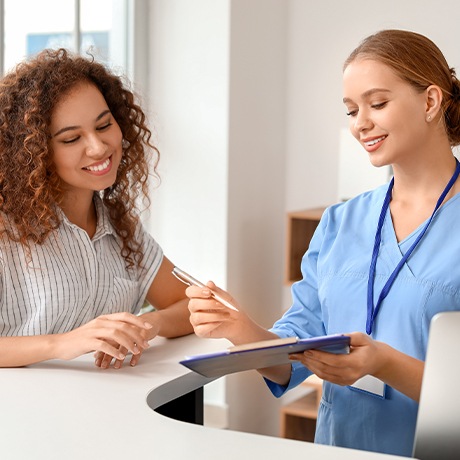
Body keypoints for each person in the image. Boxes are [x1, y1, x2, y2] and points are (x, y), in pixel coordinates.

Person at [186, 29, 460, 456]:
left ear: (430, 101)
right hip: (338, 445)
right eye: (351, 110)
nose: (360, 123)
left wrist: (383, 363)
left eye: (378, 103)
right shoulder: (340, 221)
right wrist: (240, 328)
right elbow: (293, 357)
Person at [0, 48, 193, 369]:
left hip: (106, 404)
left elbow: (190, 304)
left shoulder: (120, 228)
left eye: (104, 126)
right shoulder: (7, 228)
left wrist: (146, 325)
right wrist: (62, 343)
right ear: (35, 152)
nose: (98, 147)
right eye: (71, 138)